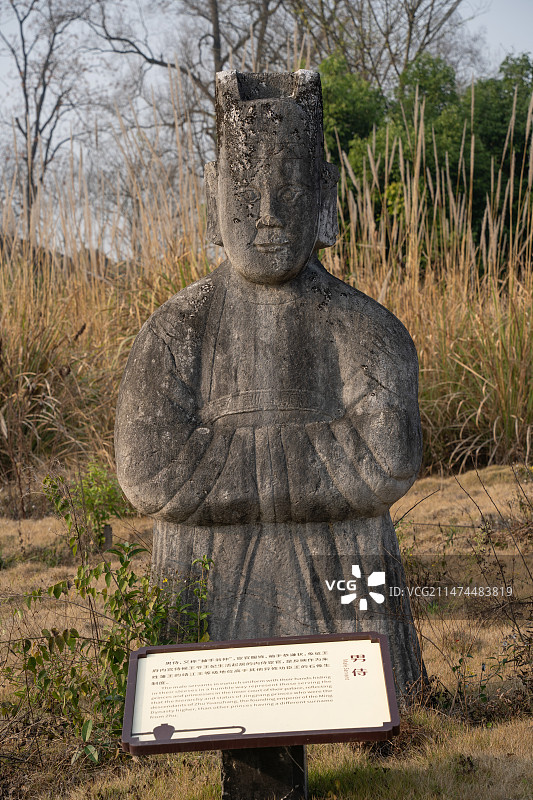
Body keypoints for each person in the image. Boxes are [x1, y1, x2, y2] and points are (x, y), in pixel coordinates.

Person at [115, 70, 424, 696]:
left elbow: (389, 461)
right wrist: (309, 461)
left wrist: (228, 462)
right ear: (215, 198)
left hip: (347, 574)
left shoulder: (368, 330)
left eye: (289, 188)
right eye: (247, 189)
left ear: (323, 197)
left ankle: (383, 703)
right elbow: (146, 471)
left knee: (372, 679)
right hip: (201, 581)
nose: (267, 214)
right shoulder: (178, 329)